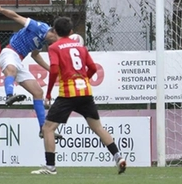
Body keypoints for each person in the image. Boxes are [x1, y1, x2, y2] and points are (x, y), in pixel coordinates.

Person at [31, 16, 127, 175]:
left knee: (48, 128)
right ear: (71, 31)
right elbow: (93, 68)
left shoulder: (54, 47)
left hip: (68, 94)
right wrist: (83, 79)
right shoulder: (81, 48)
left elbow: (54, 69)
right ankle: (118, 157)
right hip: (85, 92)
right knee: (97, 127)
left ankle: (50, 167)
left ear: (54, 31)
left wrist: (48, 93)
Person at [0, 2, 62, 139]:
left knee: (38, 92)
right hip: (10, 52)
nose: (56, 42)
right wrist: (1, 9)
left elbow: (35, 55)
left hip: (19, 60)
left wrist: (51, 69)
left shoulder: (43, 41)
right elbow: (16, 16)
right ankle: (9, 95)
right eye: (57, 38)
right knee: (12, 70)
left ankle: (43, 128)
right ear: (54, 32)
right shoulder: (38, 27)